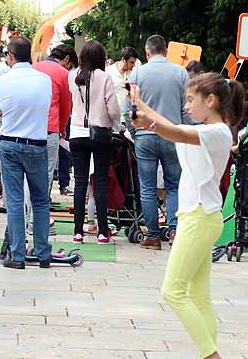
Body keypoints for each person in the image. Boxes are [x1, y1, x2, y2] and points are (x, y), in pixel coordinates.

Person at [129, 73, 245, 359]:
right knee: (198, 296)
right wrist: (141, 106)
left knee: (172, 291)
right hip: (200, 216)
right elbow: (173, 127)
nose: (186, 105)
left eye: (191, 99)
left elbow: (174, 131)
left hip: (199, 219)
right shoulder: (208, 130)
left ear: (211, 101)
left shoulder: (218, 132)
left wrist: (147, 123)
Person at [126, 35, 190, 250]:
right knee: (174, 185)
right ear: (166, 51)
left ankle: (152, 235)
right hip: (172, 134)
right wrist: (185, 133)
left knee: (147, 186)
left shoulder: (137, 72)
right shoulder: (180, 72)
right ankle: (173, 231)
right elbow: (186, 109)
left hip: (145, 135)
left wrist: (135, 133)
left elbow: (131, 109)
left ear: (147, 52)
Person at [0, 35, 54, 269]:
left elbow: (1, 109)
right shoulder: (44, 80)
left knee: (16, 201)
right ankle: (43, 253)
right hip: (37, 143)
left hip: (9, 142)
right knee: (40, 200)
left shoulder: (2, 81)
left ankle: (17, 255)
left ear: (10, 56)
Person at [68, 42, 121, 244]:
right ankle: (102, 231)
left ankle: (78, 231)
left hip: (77, 132)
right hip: (100, 133)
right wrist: (116, 125)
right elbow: (113, 109)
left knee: (80, 182)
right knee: (99, 181)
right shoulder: (104, 77)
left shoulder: (72, 76)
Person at [34, 43, 75, 202]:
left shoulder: (33, 67)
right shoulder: (63, 74)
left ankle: (27, 211)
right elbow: (66, 105)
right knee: (46, 173)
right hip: (51, 128)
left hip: (29, 128)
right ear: (66, 59)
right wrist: (62, 128)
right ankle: (41, 208)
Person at [109, 47, 139, 113]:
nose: (134, 65)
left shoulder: (134, 73)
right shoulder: (108, 72)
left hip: (129, 116)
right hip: (114, 117)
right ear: (123, 60)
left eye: (134, 62)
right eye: (131, 62)